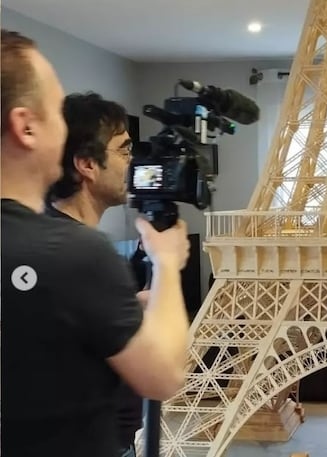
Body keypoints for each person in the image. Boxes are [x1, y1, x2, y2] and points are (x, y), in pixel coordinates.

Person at [1, 29, 191, 457]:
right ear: (26, 127)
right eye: (55, 109)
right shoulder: (76, 253)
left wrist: (121, 306)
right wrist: (166, 262)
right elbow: (164, 376)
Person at [44, 91, 146, 457]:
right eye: (124, 150)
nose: (132, 163)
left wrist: (128, 304)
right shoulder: (86, 252)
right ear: (87, 164)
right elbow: (162, 374)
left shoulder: (52, 237)